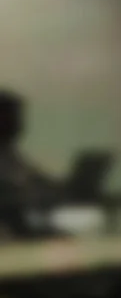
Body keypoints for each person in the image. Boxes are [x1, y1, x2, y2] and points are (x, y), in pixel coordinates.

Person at [0, 91, 66, 237]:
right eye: (11, 117)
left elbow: (34, 177)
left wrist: (62, 188)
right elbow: (14, 190)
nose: (19, 123)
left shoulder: (9, 153)